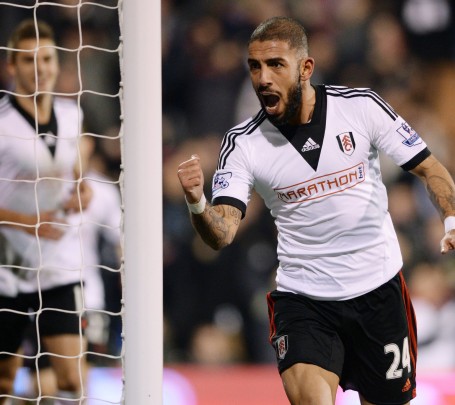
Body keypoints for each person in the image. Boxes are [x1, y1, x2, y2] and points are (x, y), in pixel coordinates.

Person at [177, 16, 455, 405]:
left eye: (275, 64)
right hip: (305, 300)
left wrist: (450, 219)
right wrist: (197, 201)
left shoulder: (360, 108)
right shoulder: (243, 144)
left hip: (378, 292)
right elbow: (222, 233)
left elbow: (430, 169)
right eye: (255, 66)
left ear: (306, 68)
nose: (263, 78)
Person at [0, 19, 92, 404]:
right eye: (28, 60)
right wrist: (28, 223)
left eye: (47, 59)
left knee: (72, 380)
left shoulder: (72, 114)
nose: (39, 68)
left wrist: (83, 189)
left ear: (57, 62)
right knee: (5, 381)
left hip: (58, 263)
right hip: (8, 266)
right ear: (11, 65)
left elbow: (76, 171)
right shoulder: (2, 122)